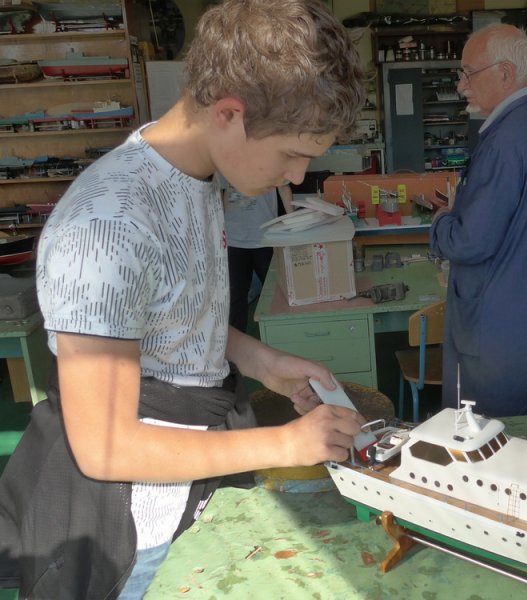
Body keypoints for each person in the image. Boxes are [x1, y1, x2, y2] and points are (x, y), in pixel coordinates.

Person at [0, 1, 365, 598]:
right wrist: (285, 443)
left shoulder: (193, 180)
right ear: (229, 113)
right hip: (133, 537)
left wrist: (260, 361)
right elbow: (105, 447)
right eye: (292, 153)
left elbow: (166, 312)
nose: (298, 176)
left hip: (194, 497)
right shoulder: (108, 224)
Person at [429, 24, 527, 418]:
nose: (461, 85)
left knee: (484, 431)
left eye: (468, 73)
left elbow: (472, 241)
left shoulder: (506, 141)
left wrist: (441, 223)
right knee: (523, 418)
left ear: (505, 73)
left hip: (495, 324)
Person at [221, 176, 293, 333]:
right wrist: (223, 226)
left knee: (278, 293)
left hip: (264, 237)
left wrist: (294, 223)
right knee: (235, 297)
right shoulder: (226, 162)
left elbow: (283, 188)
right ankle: (236, 345)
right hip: (234, 239)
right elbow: (227, 192)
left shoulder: (271, 161)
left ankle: (283, 336)